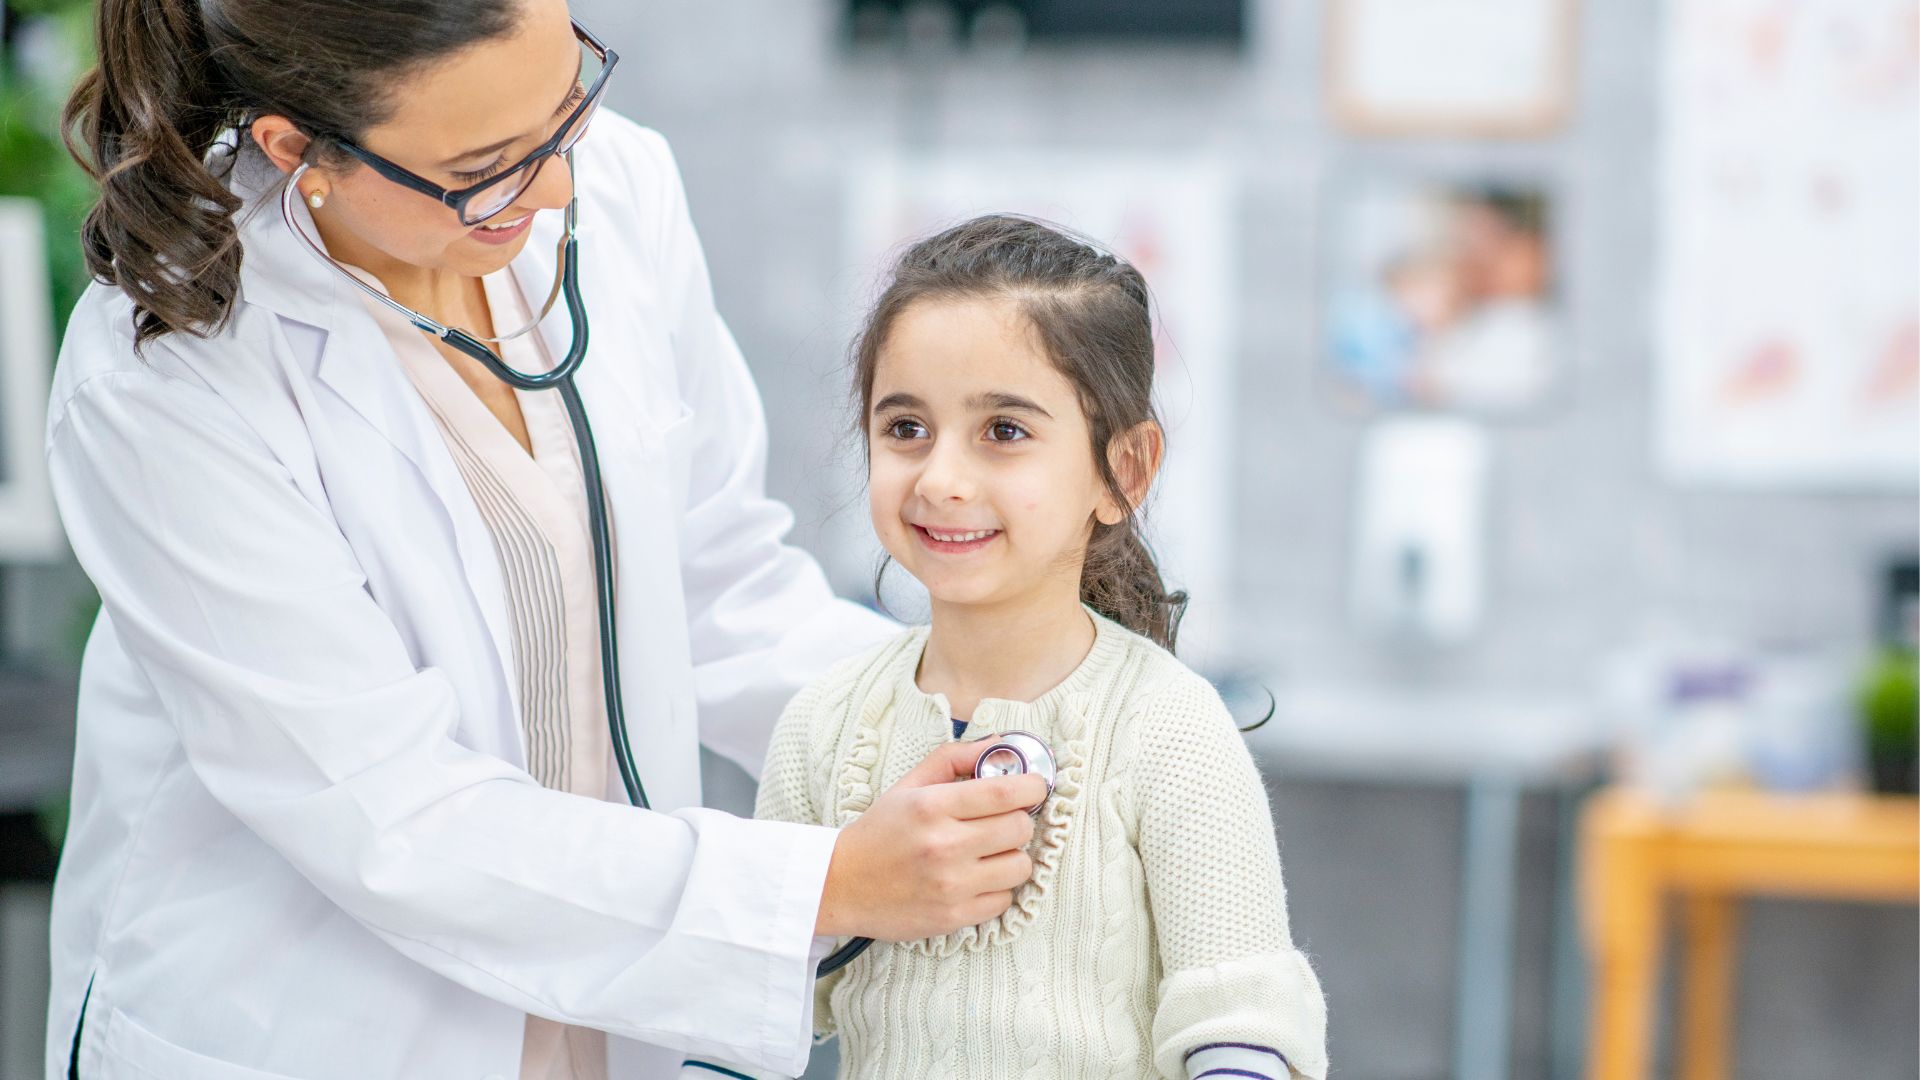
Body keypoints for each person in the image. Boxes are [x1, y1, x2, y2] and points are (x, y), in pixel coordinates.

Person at [42, 1, 1047, 1076]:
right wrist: (829, 885)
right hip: (316, 1019)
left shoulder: (615, 184)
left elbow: (719, 584)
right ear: (300, 150)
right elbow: (391, 816)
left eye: (570, 101)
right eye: (485, 168)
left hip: (600, 1016)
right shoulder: (167, 375)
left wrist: (964, 718)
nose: (561, 188)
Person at [687, 217, 1328, 1079]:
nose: (942, 477)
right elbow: (749, 1018)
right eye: (906, 427)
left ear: (1124, 472)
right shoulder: (822, 725)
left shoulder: (1169, 729)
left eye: (1005, 432)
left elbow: (1243, 1022)